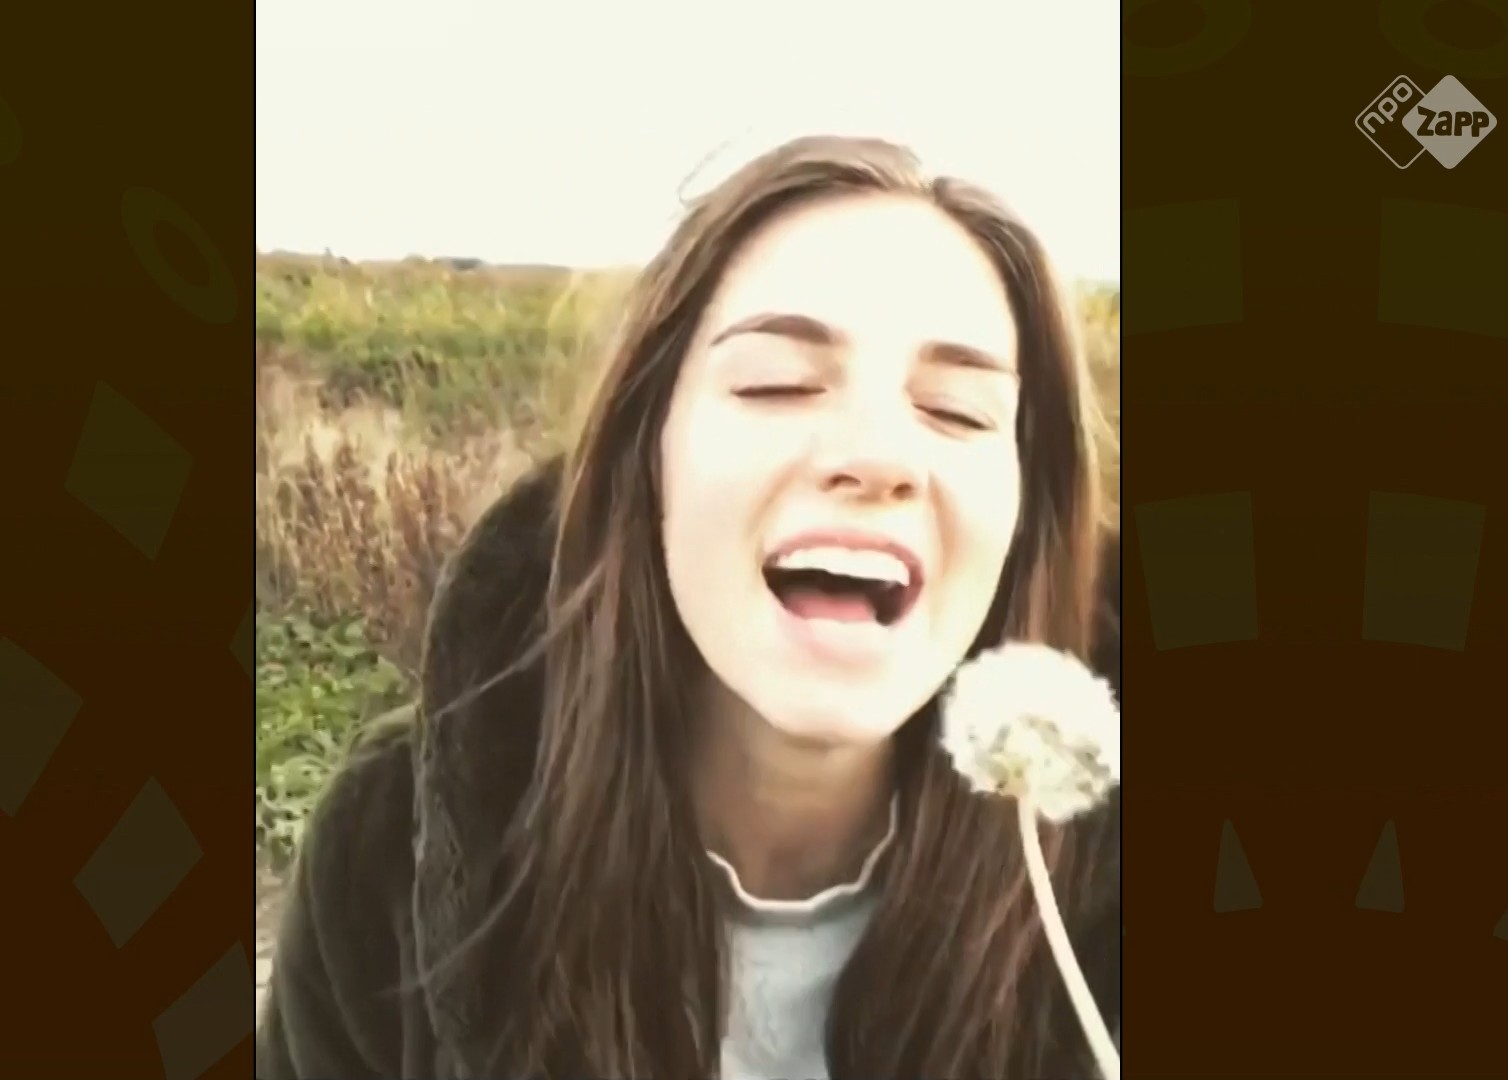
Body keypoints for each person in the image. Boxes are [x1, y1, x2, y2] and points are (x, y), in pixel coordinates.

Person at [256, 134, 1122, 1080]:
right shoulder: (383, 856)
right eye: (778, 383)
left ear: (1027, 514)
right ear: (647, 457)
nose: (878, 457)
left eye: (957, 410)